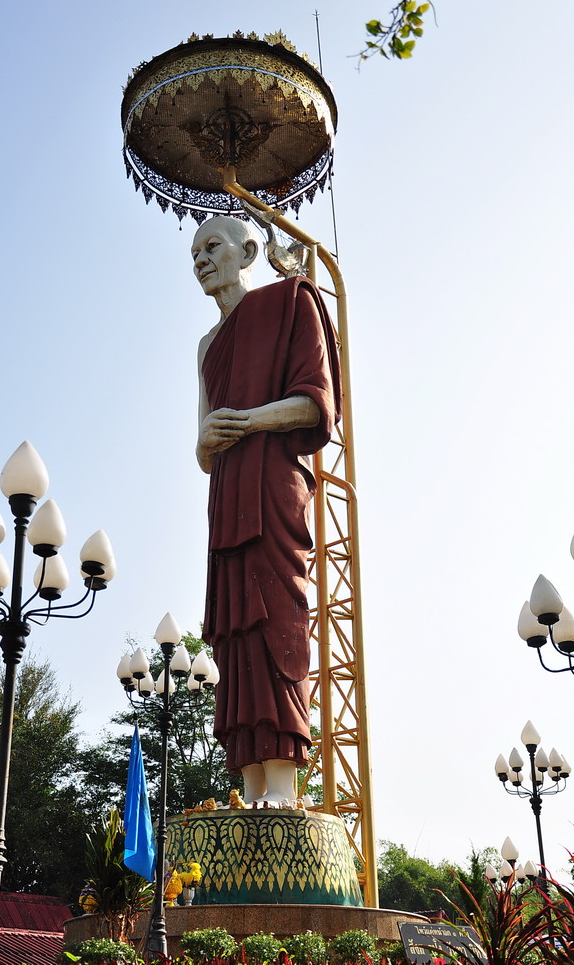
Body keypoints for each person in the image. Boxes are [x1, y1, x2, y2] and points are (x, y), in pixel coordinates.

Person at [192, 216, 342, 806]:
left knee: (278, 617)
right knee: (236, 635)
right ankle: (251, 782)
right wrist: (208, 440)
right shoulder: (207, 345)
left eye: (213, 246)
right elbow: (203, 449)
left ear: (249, 250)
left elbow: (316, 406)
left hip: (274, 485)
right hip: (227, 493)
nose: (201, 260)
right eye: (194, 253)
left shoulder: (291, 300)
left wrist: (250, 421)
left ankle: (282, 782)